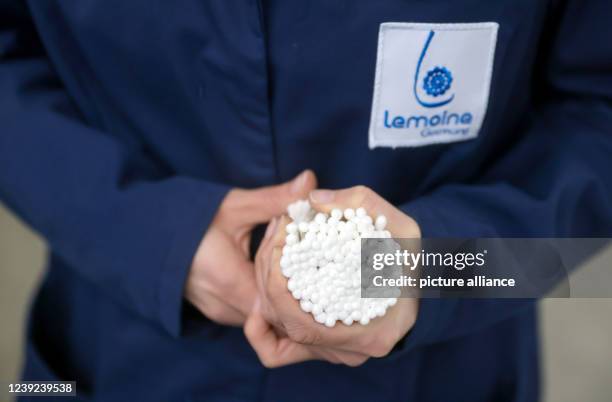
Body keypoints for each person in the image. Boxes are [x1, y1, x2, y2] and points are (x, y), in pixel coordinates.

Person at [0, 1, 610, 401]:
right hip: (117, 352)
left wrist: (434, 268)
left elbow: (597, 130)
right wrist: (150, 233)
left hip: (448, 369)